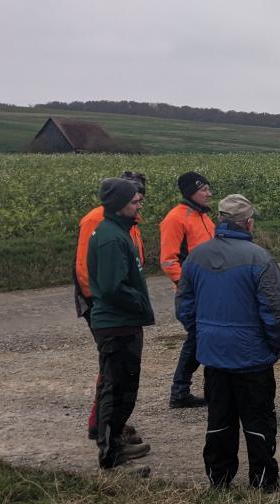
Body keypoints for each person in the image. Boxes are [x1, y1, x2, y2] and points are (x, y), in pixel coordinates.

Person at [176, 194, 280, 492]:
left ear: (220, 220)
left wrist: (203, 335)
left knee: (219, 418)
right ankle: (264, 479)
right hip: (252, 357)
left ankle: (219, 477)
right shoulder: (259, 258)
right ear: (249, 222)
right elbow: (276, 311)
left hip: (214, 357)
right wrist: (275, 345)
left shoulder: (196, 257)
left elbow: (185, 307)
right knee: (259, 419)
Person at [87, 177, 155, 476]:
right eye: (134, 201)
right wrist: (140, 302)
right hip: (116, 324)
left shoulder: (117, 231)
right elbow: (114, 287)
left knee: (125, 386)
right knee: (116, 389)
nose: (139, 203)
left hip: (122, 322)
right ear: (119, 205)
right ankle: (110, 456)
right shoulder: (111, 237)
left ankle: (115, 442)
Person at [74, 170, 147, 446]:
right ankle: (103, 427)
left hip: (114, 306)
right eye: (134, 194)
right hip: (104, 307)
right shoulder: (97, 220)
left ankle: (106, 425)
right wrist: (101, 305)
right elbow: (85, 270)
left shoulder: (129, 222)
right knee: (113, 366)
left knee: (113, 366)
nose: (140, 199)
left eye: (141, 193)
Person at [159, 171, 215, 408]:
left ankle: (189, 390)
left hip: (209, 291)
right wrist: (189, 286)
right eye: (204, 189)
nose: (209, 193)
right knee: (197, 340)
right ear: (192, 192)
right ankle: (179, 391)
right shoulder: (176, 218)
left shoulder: (204, 217)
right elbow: (168, 261)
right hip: (193, 295)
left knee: (202, 339)